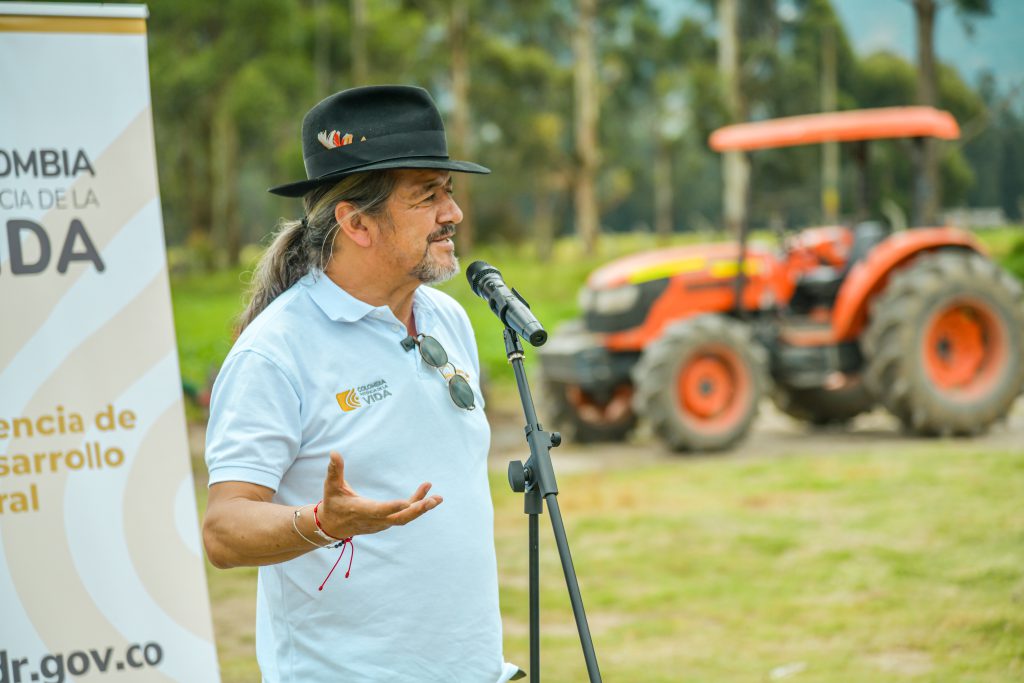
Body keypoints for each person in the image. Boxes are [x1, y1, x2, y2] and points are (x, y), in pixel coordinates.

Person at [201, 85, 522, 683]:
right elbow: (224, 530)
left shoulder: (447, 318)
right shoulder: (276, 352)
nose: (453, 214)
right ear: (356, 223)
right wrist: (323, 522)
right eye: (427, 196)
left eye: (448, 192)